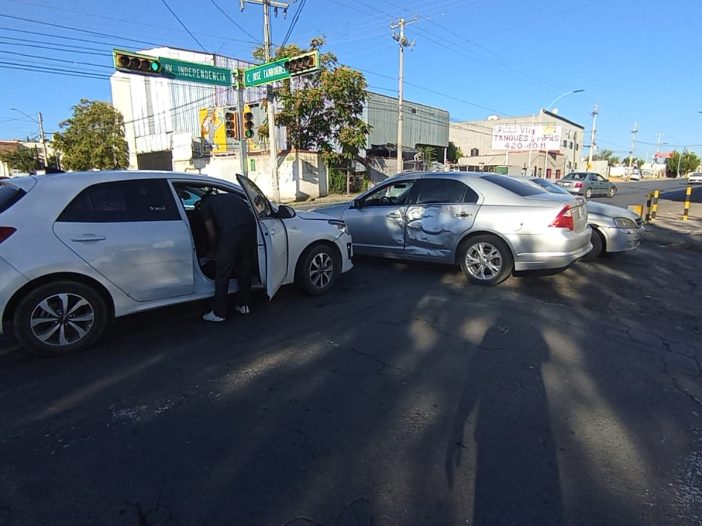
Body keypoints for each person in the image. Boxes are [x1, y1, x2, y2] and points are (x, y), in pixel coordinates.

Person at [200, 192, 257, 322]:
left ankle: (219, 313)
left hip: (232, 232)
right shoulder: (230, 196)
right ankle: (244, 305)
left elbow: (211, 234)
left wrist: (214, 250)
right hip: (250, 228)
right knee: (245, 267)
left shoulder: (205, 206)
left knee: (222, 270)